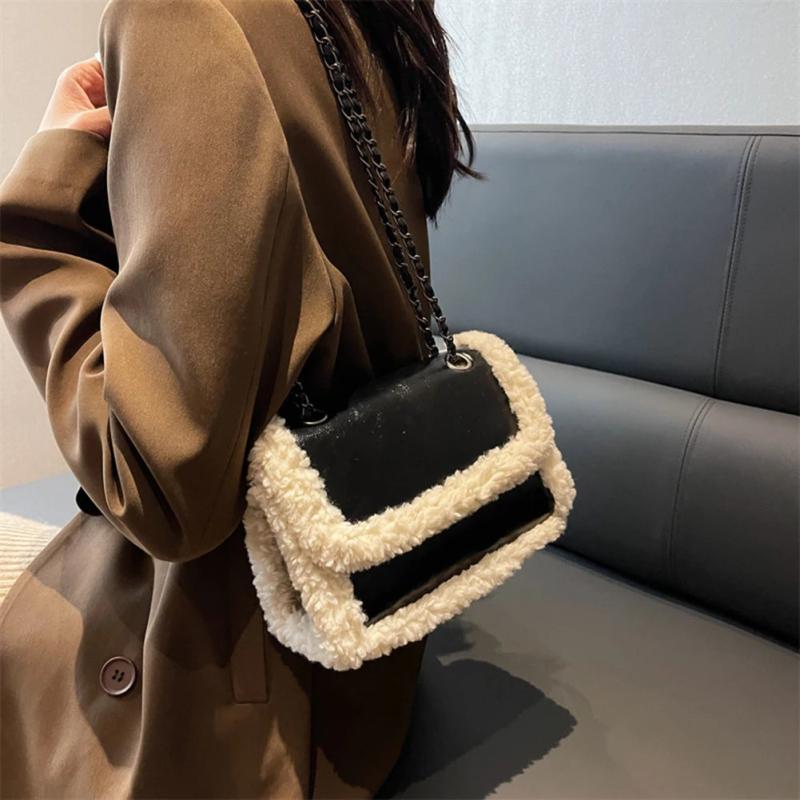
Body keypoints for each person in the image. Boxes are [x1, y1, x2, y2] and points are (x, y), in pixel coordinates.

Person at [0, 0, 478, 797]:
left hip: (235, 690)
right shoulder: (353, 15)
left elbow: (159, 487)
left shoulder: (180, 15)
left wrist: (40, 206)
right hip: (358, 645)